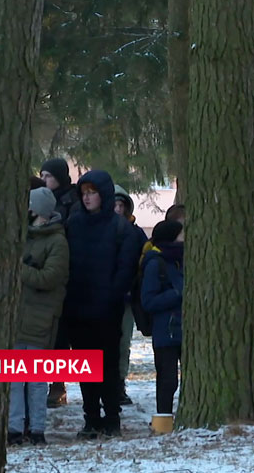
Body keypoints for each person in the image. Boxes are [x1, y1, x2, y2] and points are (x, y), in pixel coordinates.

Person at [63, 170, 144, 438]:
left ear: (104, 194)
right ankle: (91, 417)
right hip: (78, 308)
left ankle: (111, 417)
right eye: (84, 193)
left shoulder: (121, 229)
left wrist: (110, 297)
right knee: (85, 368)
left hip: (107, 311)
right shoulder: (73, 224)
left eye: (92, 193)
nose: (87, 198)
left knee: (108, 366)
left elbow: (126, 269)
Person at [10, 188, 69, 446]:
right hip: (18, 317)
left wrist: (18, 269)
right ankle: (14, 427)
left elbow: (49, 278)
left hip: (40, 317)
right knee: (12, 378)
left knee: (35, 380)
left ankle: (37, 429)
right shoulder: (24, 236)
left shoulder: (57, 242)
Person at [40, 157, 80, 408]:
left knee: (61, 336)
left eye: (48, 176)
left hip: (66, 274)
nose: (45, 181)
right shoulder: (45, 200)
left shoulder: (71, 202)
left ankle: (57, 385)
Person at [140, 221, 185, 416]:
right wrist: (176, 293)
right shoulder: (155, 264)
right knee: (168, 381)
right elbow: (148, 301)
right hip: (165, 332)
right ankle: (163, 420)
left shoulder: (182, 260)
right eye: (181, 235)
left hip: (185, 331)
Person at [113, 185, 148, 406]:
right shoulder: (99, 230)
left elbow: (142, 262)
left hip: (126, 298)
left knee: (123, 343)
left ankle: (119, 383)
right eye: (114, 204)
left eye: (121, 205)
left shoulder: (136, 234)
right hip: (102, 297)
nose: (117, 209)